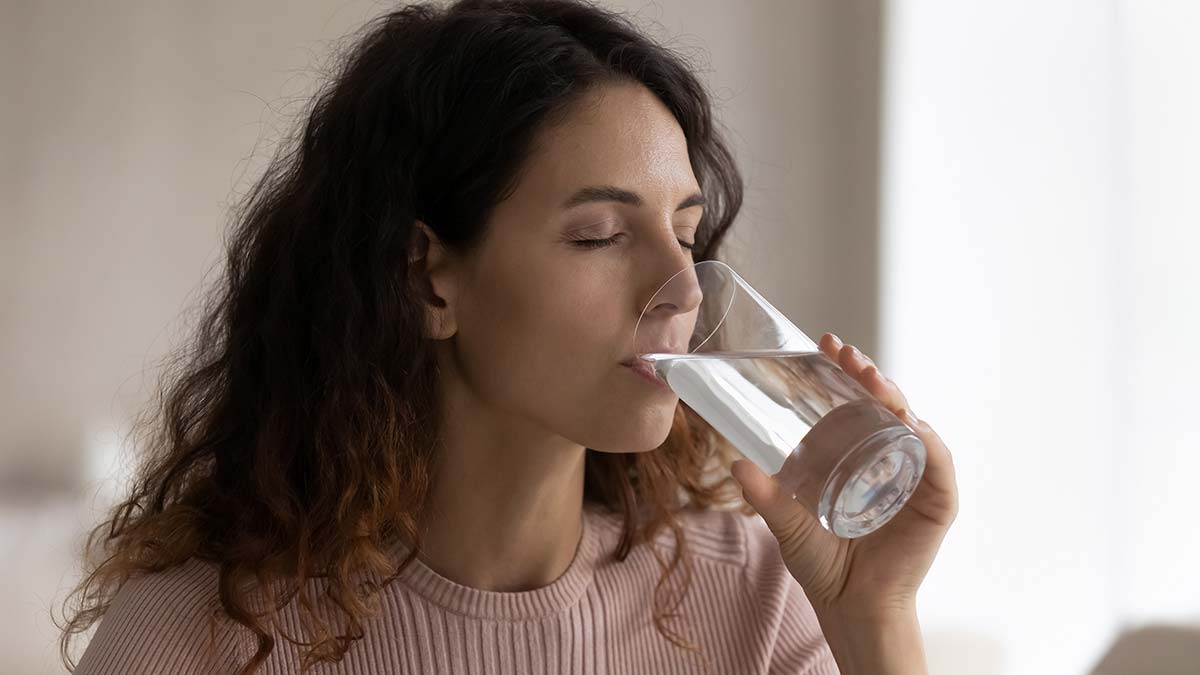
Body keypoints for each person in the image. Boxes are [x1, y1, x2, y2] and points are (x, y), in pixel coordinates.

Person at [59, 1, 958, 673]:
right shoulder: (195, 635)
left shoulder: (750, 598)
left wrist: (874, 612)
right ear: (426, 277)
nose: (682, 285)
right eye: (601, 235)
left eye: (686, 233)